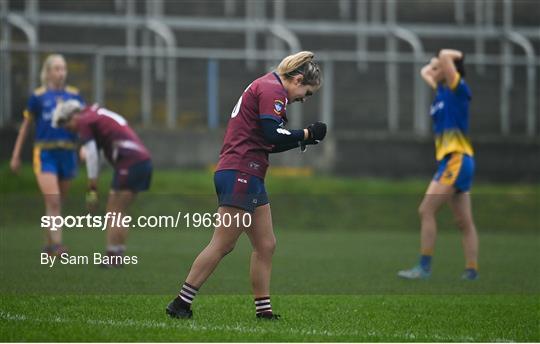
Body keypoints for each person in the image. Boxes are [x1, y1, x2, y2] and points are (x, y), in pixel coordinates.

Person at [166, 51, 326, 320]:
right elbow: (271, 134)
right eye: (307, 93)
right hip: (241, 171)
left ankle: (263, 311)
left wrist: (304, 138)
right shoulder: (273, 90)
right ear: (298, 80)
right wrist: (307, 134)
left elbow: (270, 142)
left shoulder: (267, 85)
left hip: (248, 172)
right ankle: (181, 302)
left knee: (266, 244)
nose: (303, 99)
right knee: (223, 244)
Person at [398, 49, 479, 281]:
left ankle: (424, 267)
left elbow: (445, 54)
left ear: (449, 68)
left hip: (457, 158)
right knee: (464, 221)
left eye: (438, 66)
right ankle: (471, 271)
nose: (433, 69)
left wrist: (449, 58)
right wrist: (435, 67)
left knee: (426, 210)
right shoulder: (442, 90)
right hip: (451, 161)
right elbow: (425, 72)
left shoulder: (457, 87)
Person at [52, 101, 153, 267]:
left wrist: (92, 189)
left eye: (68, 125)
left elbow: (92, 156)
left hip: (129, 161)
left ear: (72, 116)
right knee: (120, 211)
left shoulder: (84, 120)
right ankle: (117, 253)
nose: (71, 130)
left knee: (113, 211)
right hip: (142, 161)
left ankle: (113, 256)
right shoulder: (94, 113)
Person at [10, 54, 84, 256]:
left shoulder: (74, 95)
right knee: (53, 200)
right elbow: (25, 127)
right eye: (57, 68)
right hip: (45, 153)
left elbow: (83, 126)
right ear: (48, 72)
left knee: (58, 201)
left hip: (67, 153)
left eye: (64, 68)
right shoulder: (38, 96)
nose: (61, 72)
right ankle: (58, 245)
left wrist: (84, 147)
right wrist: (16, 155)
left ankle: (48, 244)